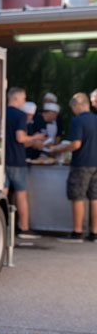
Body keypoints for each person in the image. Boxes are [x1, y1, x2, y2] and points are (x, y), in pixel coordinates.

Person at [51, 93, 97, 243]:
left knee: (77, 196)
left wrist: (59, 149)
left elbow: (76, 144)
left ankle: (77, 232)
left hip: (81, 163)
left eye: (73, 108)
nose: (73, 111)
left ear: (77, 105)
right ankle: (94, 233)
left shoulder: (78, 121)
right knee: (94, 197)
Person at [5, 87, 45, 239]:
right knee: (21, 194)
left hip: (2, 160)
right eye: (23, 98)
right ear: (16, 98)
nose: (24, 102)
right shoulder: (20, 115)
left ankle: (2, 225)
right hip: (17, 161)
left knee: (3, 194)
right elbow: (20, 138)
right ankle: (24, 228)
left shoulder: (0, 112)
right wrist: (35, 138)